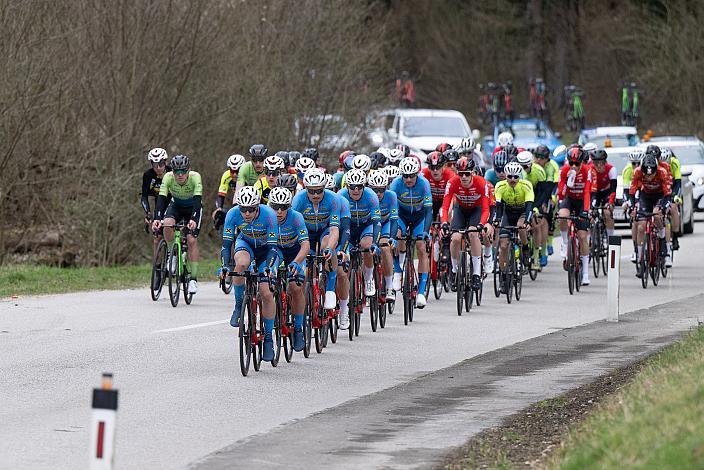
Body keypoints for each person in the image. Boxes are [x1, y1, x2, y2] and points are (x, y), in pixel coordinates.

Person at [220, 187, 279, 361]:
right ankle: (239, 306)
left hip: (265, 251)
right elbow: (226, 245)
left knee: (266, 293)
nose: (246, 213)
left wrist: (268, 268)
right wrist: (224, 266)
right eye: (243, 209)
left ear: (258, 206)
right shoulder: (232, 214)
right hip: (245, 244)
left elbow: (273, 248)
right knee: (241, 264)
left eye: (251, 209)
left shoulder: (269, 215)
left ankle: (268, 338)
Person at [152, 155, 203, 294]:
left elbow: (198, 202)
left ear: (189, 170)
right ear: (172, 171)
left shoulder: (195, 177)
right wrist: (157, 218)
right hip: (176, 206)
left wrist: (193, 219)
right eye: (176, 172)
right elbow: (161, 200)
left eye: (183, 171)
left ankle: (193, 279)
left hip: (193, 208)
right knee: (167, 224)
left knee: (192, 240)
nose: (180, 175)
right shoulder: (167, 177)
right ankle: (172, 254)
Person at [292, 168, 341, 310]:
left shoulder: (333, 199)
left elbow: (334, 230)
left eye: (319, 190)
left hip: (325, 230)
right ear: (306, 188)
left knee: (328, 245)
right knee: (306, 268)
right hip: (306, 233)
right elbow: (294, 227)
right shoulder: (298, 200)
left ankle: (330, 290)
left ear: (324, 188)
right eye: (311, 191)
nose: (315, 194)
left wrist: (330, 248)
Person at [338, 170, 381, 328]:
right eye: (353, 187)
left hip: (365, 227)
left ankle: (369, 278)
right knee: (344, 265)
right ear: (347, 186)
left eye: (359, 187)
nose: (356, 190)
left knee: (366, 246)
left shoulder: (371, 196)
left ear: (364, 186)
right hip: (347, 228)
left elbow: (377, 222)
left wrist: (375, 243)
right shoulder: (341, 196)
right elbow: (341, 225)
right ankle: (344, 301)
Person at [268, 186, 309, 352]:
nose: (278, 211)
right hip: (275, 251)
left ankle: (298, 328)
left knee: (295, 287)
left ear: (289, 207)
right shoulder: (265, 217)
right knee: (268, 277)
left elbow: (306, 244)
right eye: (275, 207)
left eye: (283, 207)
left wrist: (297, 262)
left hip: (294, 253)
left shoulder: (296, 217)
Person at [440, 157, 490, 291]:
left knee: (473, 233)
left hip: (476, 210)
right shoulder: (452, 182)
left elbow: (486, 209)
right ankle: (455, 271)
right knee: (455, 238)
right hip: (460, 210)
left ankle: (476, 275)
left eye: (467, 173)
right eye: (460, 174)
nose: (463, 177)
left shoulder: (481, 183)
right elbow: (445, 207)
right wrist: (444, 222)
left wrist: (481, 224)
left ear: (472, 173)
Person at [389, 156, 433, 307]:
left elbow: (428, 211)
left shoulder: (424, 184)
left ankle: (421, 292)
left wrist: (426, 231)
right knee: (396, 237)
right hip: (401, 215)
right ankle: (398, 270)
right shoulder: (395, 184)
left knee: (421, 246)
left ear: (417, 174)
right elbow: (392, 211)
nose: (408, 179)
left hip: (419, 217)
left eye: (411, 176)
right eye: (405, 176)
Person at [492, 161, 534, 292]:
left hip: (522, 213)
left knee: (521, 227)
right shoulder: (500, 186)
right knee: (503, 246)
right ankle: (504, 277)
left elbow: (529, 207)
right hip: (507, 214)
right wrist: (497, 220)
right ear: (506, 176)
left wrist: (527, 221)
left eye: (516, 177)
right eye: (510, 176)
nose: (513, 179)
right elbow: (498, 207)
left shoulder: (526, 185)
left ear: (520, 176)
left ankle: (525, 248)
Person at [628, 153, 671, 278]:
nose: (649, 177)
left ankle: (662, 239)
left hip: (660, 196)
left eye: (652, 174)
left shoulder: (662, 172)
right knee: (641, 227)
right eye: (646, 174)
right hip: (645, 196)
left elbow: (667, 193)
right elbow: (632, 191)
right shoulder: (637, 172)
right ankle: (641, 259)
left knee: (657, 216)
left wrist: (663, 207)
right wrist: (632, 206)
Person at [557, 145, 592, 286]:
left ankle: (585, 274)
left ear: (582, 162)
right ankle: (565, 243)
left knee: (583, 236)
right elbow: (560, 194)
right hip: (569, 200)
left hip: (582, 201)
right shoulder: (564, 170)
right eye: (571, 162)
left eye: (576, 163)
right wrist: (568, 183)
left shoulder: (587, 170)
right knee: (562, 216)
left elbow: (587, 192)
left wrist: (585, 210)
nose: (573, 166)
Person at [367, 170, 398, 302]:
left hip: (385, 224)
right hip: (370, 225)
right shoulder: (367, 196)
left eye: (381, 190)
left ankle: (389, 286)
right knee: (366, 248)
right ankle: (366, 281)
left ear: (386, 187)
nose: (378, 194)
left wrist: (392, 237)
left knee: (385, 248)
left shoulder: (391, 196)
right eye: (375, 190)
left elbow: (394, 220)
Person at [516, 150, 549, 268]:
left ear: (531, 164)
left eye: (525, 166)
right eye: (521, 166)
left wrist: (536, 207)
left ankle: (536, 256)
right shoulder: (516, 172)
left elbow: (543, 192)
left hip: (536, 195)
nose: (523, 169)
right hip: (522, 196)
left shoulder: (539, 171)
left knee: (536, 224)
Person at [141, 148, 171, 258]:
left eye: (161, 164)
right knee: (157, 239)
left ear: (166, 162)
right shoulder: (148, 175)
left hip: (174, 204)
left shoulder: (172, 172)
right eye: (154, 164)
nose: (158, 168)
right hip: (160, 206)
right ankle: (157, 267)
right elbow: (144, 196)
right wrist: (148, 213)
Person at [532, 145, 560, 259]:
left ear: (547, 158)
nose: (539, 160)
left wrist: (550, 199)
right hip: (536, 189)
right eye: (537, 157)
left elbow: (550, 187)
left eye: (542, 158)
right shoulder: (532, 165)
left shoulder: (551, 166)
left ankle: (546, 246)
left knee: (546, 215)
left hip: (550, 189)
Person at [659, 147, 681, 267]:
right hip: (661, 191)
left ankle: (676, 236)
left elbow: (678, 182)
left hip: (672, 189)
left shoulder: (674, 163)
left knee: (673, 208)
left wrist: (675, 196)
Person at [587, 149, 617, 238]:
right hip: (594, 193)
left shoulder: (611, 169)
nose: (599, 165)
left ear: (605, 162)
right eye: (596, 163)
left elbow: (613, 190)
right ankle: (593, 240)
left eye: (602, 162)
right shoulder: (590, 170)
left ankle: (610, 239)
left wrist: (610, 202)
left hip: (606, 193)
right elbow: (589, 189)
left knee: (607, 213)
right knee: (590, 215)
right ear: (593, 163)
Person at [212, 154, 245, 229]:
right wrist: (219, 208)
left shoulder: (248, 176)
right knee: (220, 214)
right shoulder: (226, 176)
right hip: (237, 201)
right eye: (232, 171)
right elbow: (221, 195)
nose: (234, 174)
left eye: (237, 171)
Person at [622, 149, 644, 262]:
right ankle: (636, 250)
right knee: (635, 221)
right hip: (632, 193)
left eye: (638, 163)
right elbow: (626, 191)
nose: (636, 165)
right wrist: (628, 204)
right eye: (633, 163)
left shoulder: (646, 169)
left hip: (644, 193)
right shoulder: (627, 170)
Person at [421, 151, 453, 221]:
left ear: (443, 167)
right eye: (432, 167)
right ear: (428, 167)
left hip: (445, 200)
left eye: (438, 167)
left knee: (447, 213)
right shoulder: (423, 174)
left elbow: (452, 198)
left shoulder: (450, 175)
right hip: (431, 201)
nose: (435, 170)